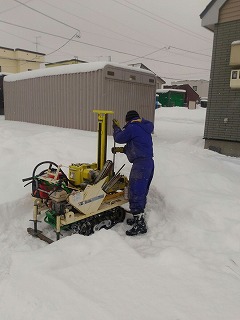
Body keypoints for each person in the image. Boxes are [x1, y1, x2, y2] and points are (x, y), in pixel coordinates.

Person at [112, 110, 154, 236]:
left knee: (135, 191)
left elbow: (119, 138)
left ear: (128, 120)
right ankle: (138, 219)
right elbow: (136, 145)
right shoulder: (143, 127)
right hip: (148, 163)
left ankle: (140, 225)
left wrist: (116, 128)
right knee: (141, 192)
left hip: (140, 165)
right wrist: (121, 150)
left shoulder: (133, 127)